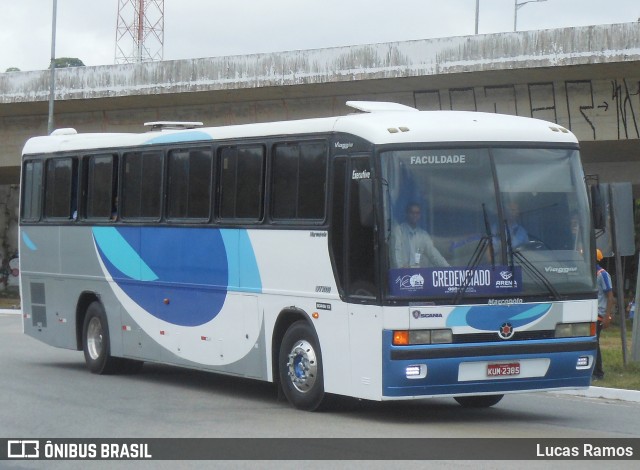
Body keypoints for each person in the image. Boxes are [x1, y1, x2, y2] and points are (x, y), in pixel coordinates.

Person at [390, 203, 449, 268]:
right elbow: (396, 253)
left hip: (417, 274)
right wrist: (400, 270)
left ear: (420, 215)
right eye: (412, 212)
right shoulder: (399, 231)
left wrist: (448, 269)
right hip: (402, 274)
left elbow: (434, 255)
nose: (415, 215)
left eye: (417, 213)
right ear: (407, 214)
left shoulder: (423, 235)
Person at [594, 248, 613, 380]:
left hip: (599, 314)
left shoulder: (602, 274)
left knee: (594, 343)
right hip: (590, 314)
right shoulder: (590, 274)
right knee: (591, 343)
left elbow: (610, 296)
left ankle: (598, 373)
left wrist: (607, 316)